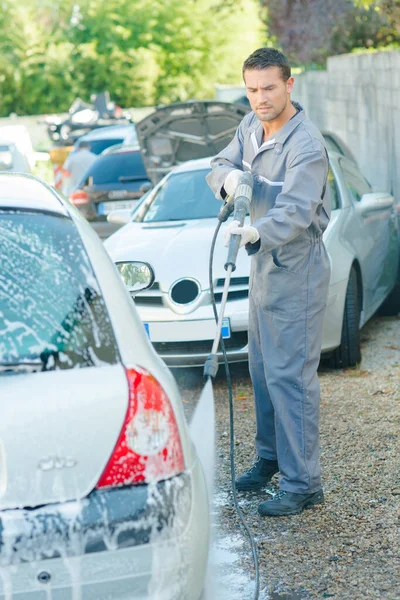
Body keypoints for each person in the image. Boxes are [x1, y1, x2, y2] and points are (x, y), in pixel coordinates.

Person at [206, 48, 331, 517]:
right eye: (252, 89)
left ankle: (303, 485)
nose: (260, 97)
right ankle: (271, 459)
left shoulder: (306, 144)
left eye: (269, 88)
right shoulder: (250, 126)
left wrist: (259, 230)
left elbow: (297, 210)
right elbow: (219, 162)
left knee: (290, 377)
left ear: (290, 85)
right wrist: (231, 181)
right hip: (263, 265)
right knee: (261, 370)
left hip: (295, 263)